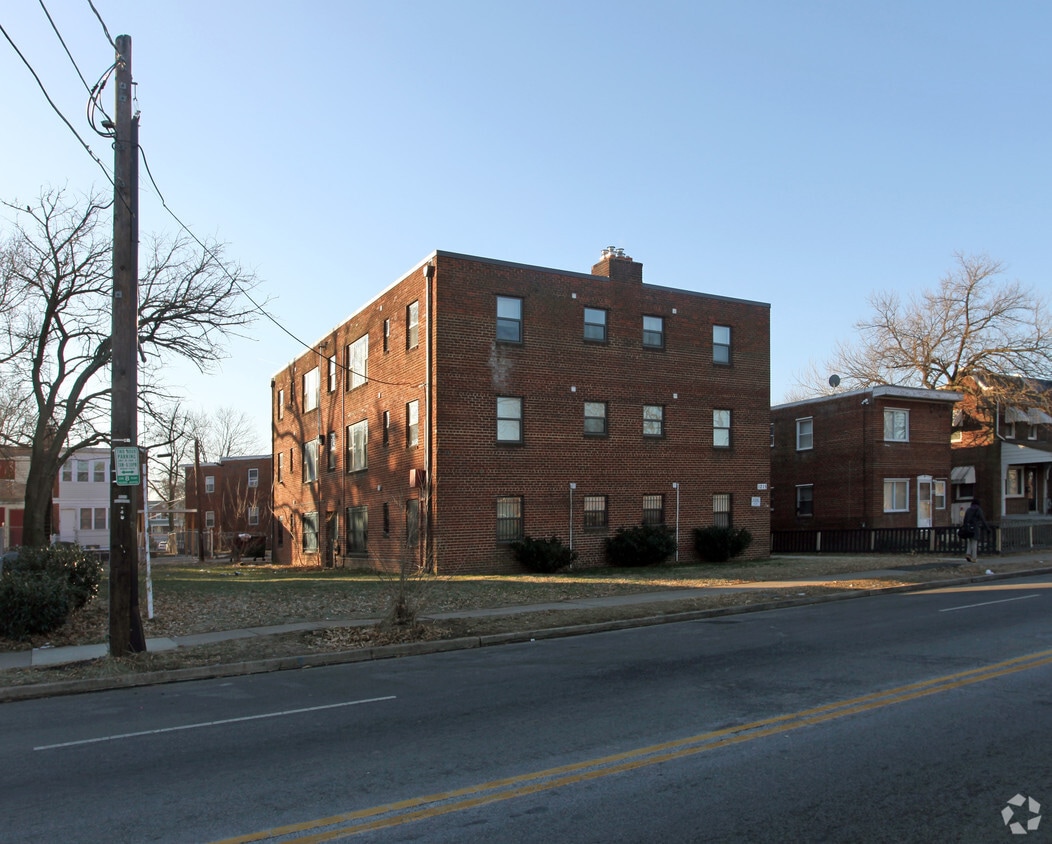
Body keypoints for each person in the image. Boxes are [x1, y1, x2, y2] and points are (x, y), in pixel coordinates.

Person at [960, 497, 990, 563]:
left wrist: (964, 527)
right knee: (974, 542)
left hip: (968, 527)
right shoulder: (978, 510)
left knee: (969, 541)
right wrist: (987, 528)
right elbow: (983, 519)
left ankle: (968, 554)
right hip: (975, 528)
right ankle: (974, 557)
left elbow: (965, 519)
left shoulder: (968, 510)